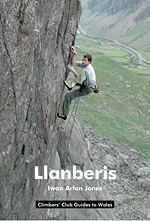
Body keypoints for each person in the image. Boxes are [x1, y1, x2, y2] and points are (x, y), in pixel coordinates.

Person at [57, 46, 97, 120]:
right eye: (83, 60)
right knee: (67, 96)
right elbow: (74, 63)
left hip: (89, 86)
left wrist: (72, 70)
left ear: (89, 62)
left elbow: (79, 77)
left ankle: (71, 85)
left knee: (84, 72)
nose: (83, 61)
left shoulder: (89, 68)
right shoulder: (84, 64)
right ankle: (65, 114)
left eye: (85, 60)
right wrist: (75, 54)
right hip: (84, 89)